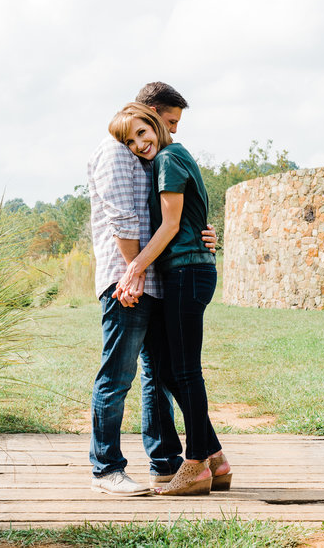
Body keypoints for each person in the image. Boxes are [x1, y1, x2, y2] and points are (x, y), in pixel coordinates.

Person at [86, 83, 215, 496]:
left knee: (158, 375)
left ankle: (166, 462)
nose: (172, 132)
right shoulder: (114, 153)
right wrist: (133, 271)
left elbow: (173, 215)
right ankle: (106, 469)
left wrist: (203, 234)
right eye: (170, 122)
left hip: (154, 279)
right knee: (117, 375)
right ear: (152, 113)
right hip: (127, 282)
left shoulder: (155, 156)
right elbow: (124, 220)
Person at [108, 103, 231, 496]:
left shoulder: (169, 156)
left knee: (185, 371)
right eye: (131, 141)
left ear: (155, 124)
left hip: (186, 273)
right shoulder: (165, 158)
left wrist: (135, 268)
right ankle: (214, 458)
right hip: (184, 271)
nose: (140, 144)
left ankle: (195, 464)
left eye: (143, 132)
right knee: (167, 370)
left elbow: (172, 224)